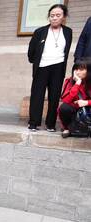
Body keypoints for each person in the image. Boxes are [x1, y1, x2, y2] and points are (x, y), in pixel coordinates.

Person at [27, 4, 72, 132]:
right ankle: (34, 122)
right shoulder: (40, 31)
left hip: (58, 68)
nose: (54, 18)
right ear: (49, 17)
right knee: (37, 95)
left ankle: (50, 124)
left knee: (54, 96)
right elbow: (31, 51)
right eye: (52, 15)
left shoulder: (68, 32)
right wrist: (35, 61)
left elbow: (66, 50)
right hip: (42, 67)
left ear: (63, 17)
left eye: (58, 15)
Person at [58, 62, 91, 138]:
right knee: (64, 108)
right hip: (76, 110)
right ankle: (67, 128)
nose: (78, 72)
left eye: (81, 69)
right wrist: (77, 83)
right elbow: (66, 100)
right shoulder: (69, 81)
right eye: (76, 69)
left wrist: (86, 102)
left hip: (88, 109)